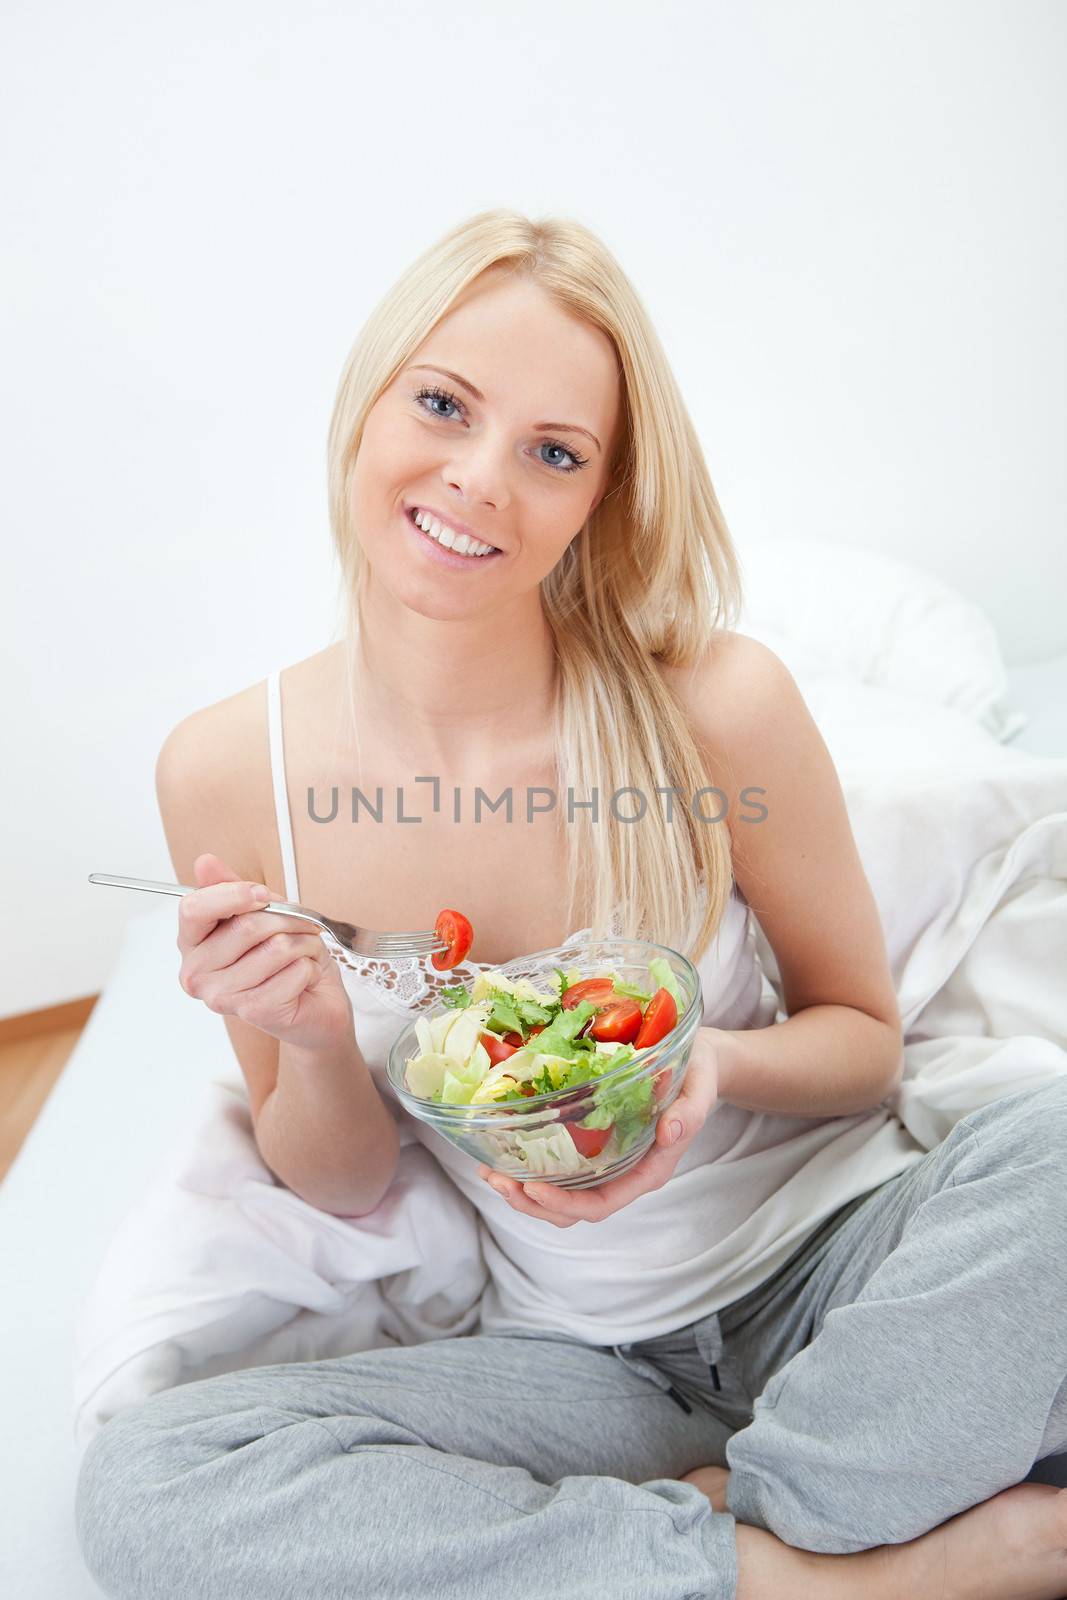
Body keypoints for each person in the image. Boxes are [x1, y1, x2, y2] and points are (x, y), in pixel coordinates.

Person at [76, 208, 1067, 1600]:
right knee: (150, 1491)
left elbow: (864, 1044)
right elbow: (347, 1187)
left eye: (554, 453)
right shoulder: (235, 771)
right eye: (443, 405)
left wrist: (713, 1065)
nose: (481, 480)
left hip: (845, 1267)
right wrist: (306, 1036)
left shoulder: (717, 708)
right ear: (368, 404)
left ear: (601, 497)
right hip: (588, 1369)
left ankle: (735, 1519)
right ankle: (853, 1569)